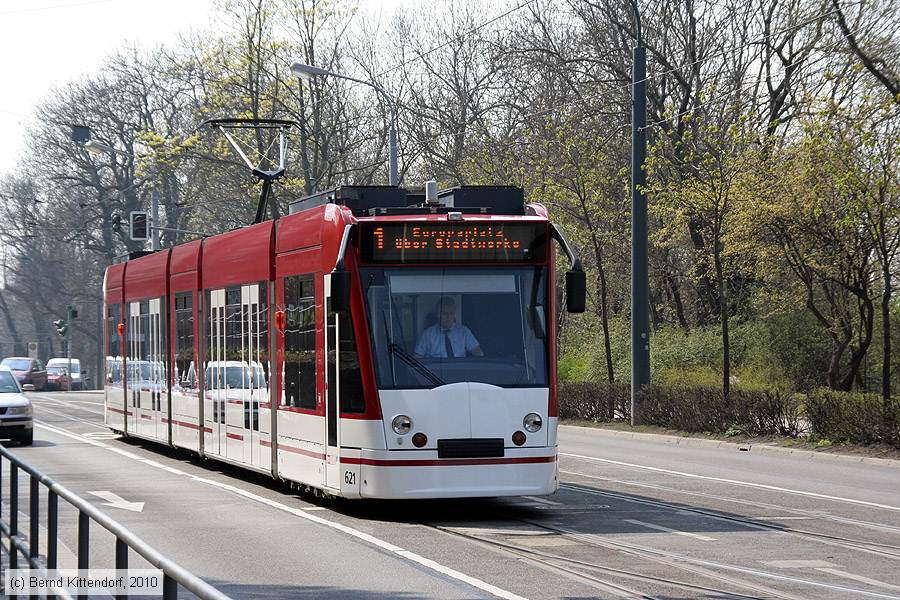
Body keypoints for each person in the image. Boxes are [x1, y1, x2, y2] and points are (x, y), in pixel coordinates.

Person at [414, 296, 484, 358]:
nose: (449, 317)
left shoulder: (463, 331)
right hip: (434, 371)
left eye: (451, 313)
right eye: (445, 313)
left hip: (459, 369)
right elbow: (417, 356)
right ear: (438, 315)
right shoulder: (428, 334)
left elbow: (477, 350)